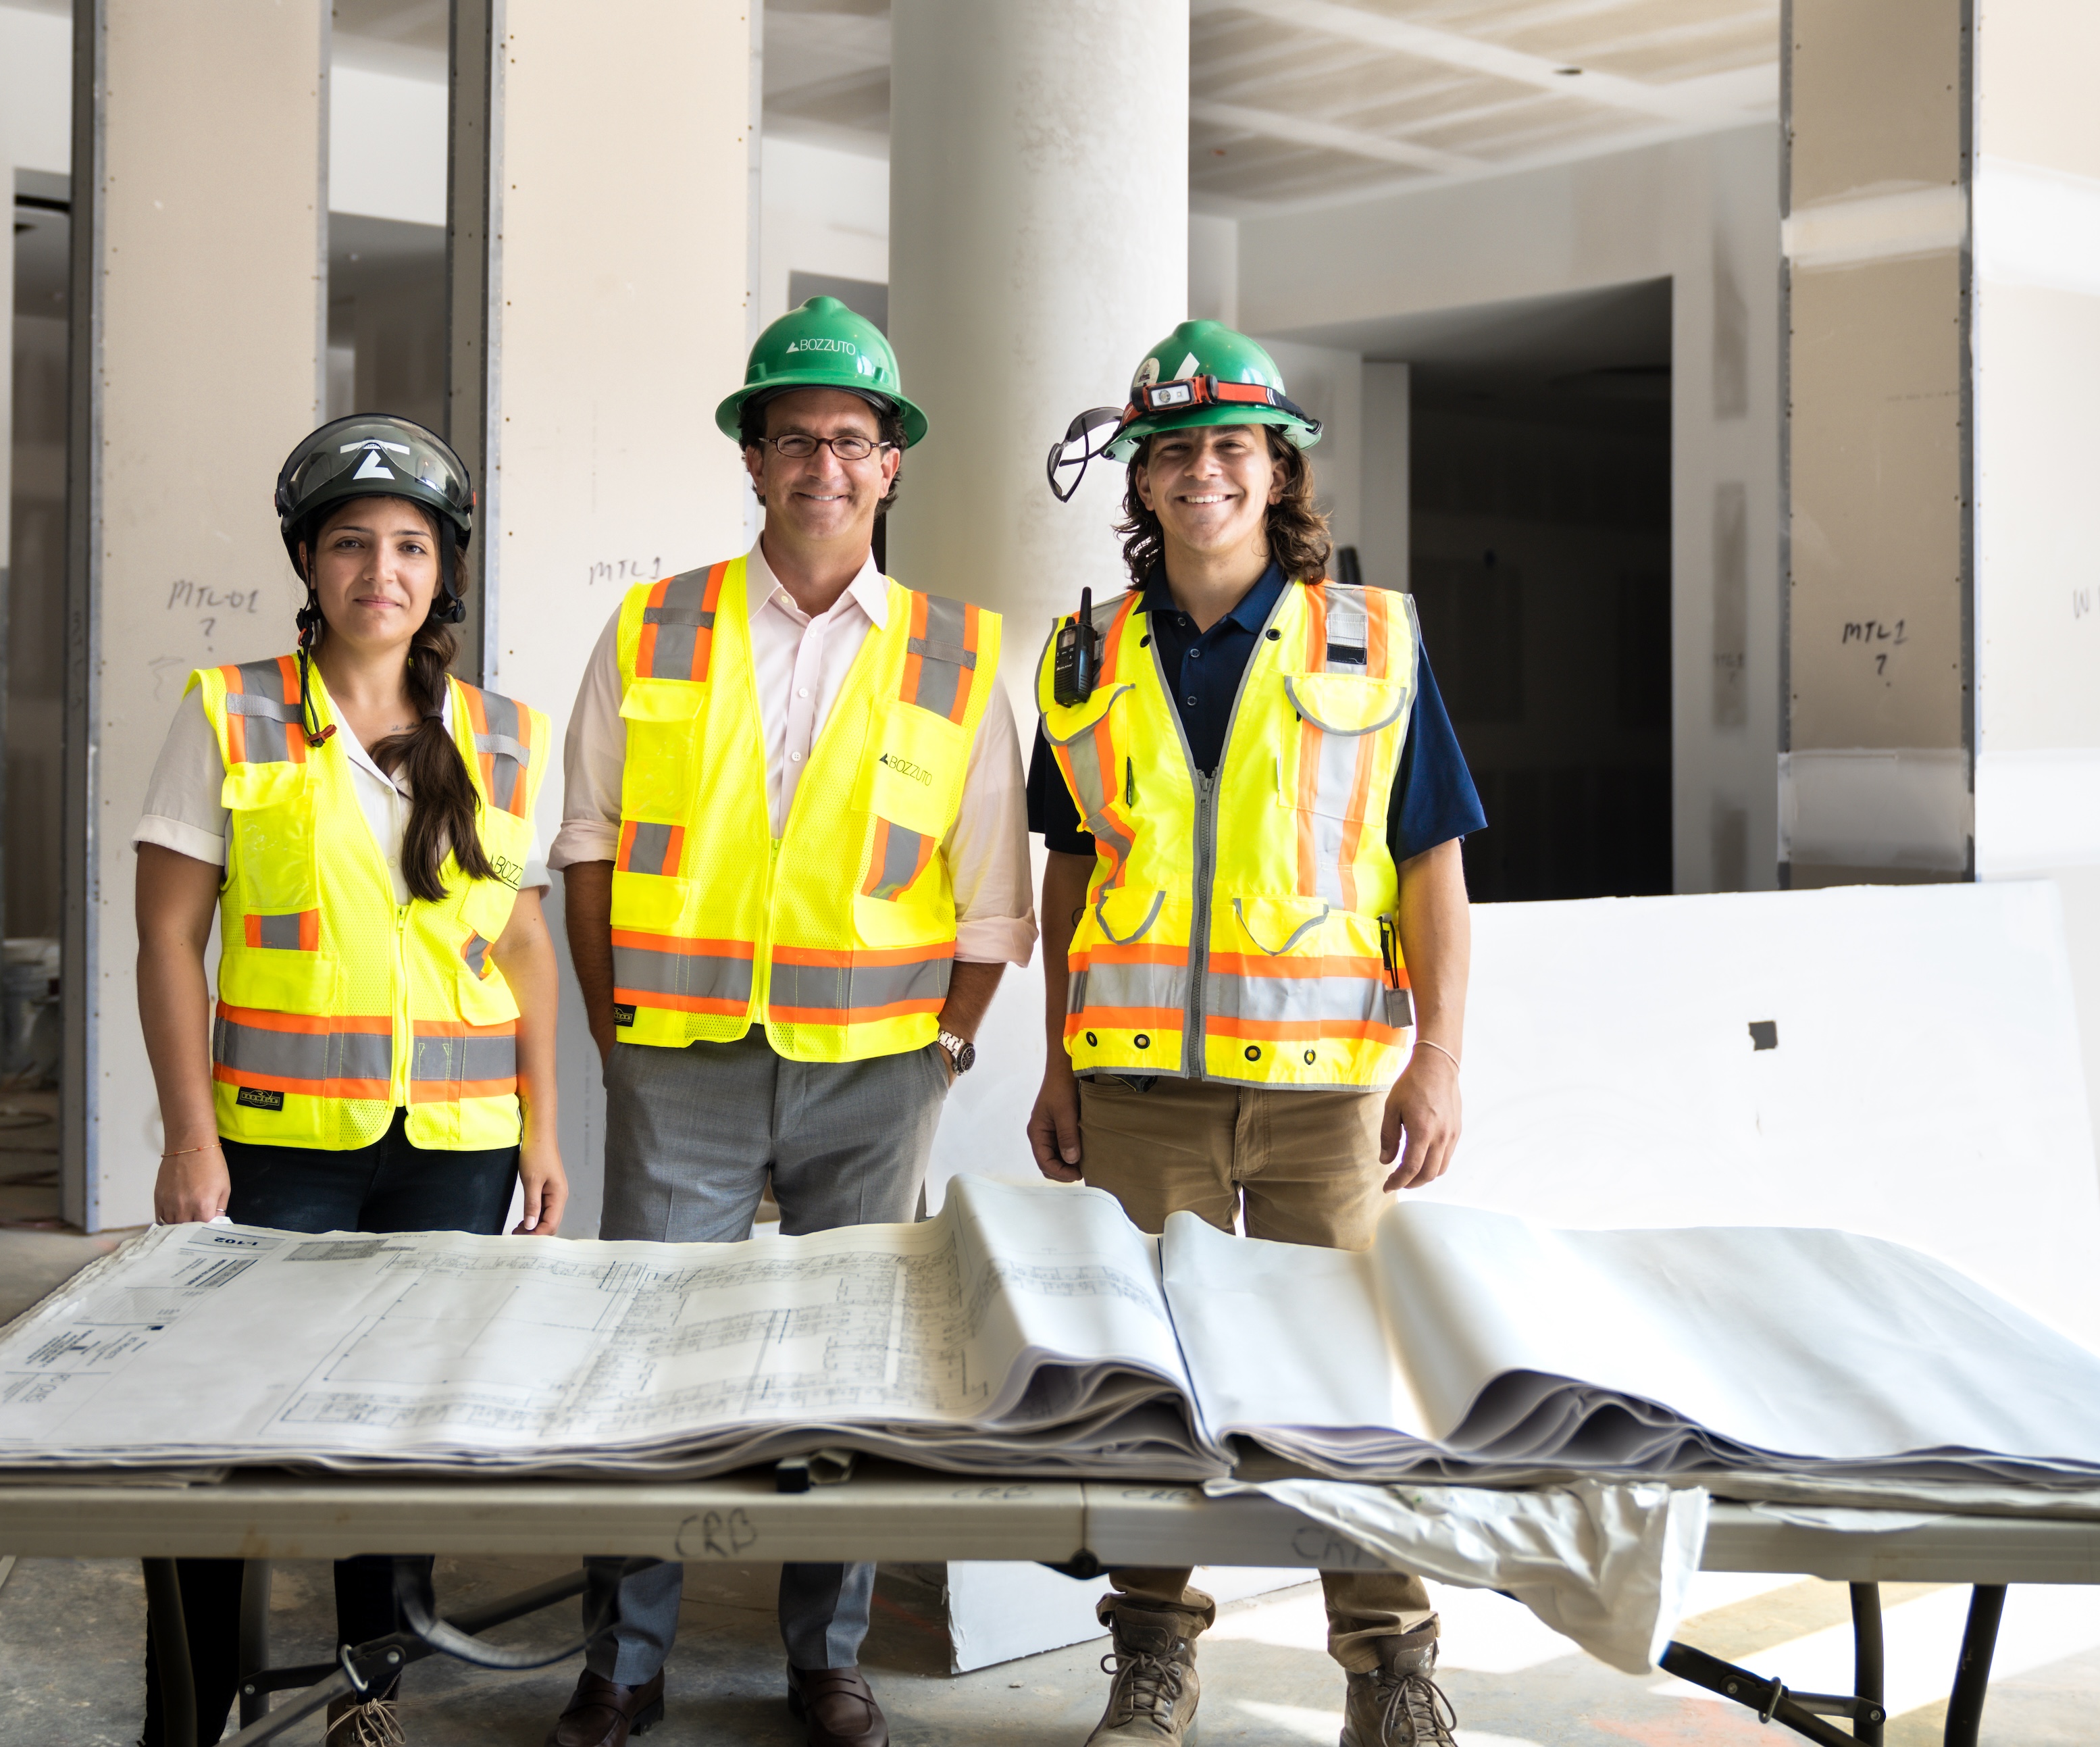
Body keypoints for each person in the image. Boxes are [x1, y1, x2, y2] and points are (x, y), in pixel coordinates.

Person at [547, 296, 1036, 1747]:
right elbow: (585, 841)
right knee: (648, 1369)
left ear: (891, 465)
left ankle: (824, 1659)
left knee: (844, 1374)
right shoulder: (653, 625)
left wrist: (942, 1048)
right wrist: (614, 1027)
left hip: (875, 1074)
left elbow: (989, 895)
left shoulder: (957, 653)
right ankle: (622, 1664)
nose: (821, 463)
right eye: (791, 438)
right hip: (681, 1063)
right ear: (749, 462)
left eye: (850, 438)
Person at [1027, 323, 1483, 1747]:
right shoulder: (1083, 653)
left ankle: (1387, 1666)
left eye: (1230, 446)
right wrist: (1053, 1059)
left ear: (1275, 468)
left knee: (1341, 1384)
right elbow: (1066, 867)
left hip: (1324, 1092)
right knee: (1147, 1388)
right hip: (1139, 1090)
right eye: (1174, 452)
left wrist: (1440, 1059)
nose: (1202, 473)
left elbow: (1430, 868)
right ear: (1141, 481)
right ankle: (1153, 1657)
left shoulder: (1375, 639)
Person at [130, 413, 565, 1747]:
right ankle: (196, 1705)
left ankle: (356, 1693)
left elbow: (524, 949)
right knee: (225, 1425)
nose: (383, 568)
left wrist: (542, 1132)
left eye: (411, 547)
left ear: (444, 573)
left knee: (395, 1432)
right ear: (308, 565)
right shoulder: (228, 712)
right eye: (352, 544)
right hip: (274, 1145)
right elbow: (165, 938)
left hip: (455, 1145)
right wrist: (185, 1138)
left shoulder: (499, 736)